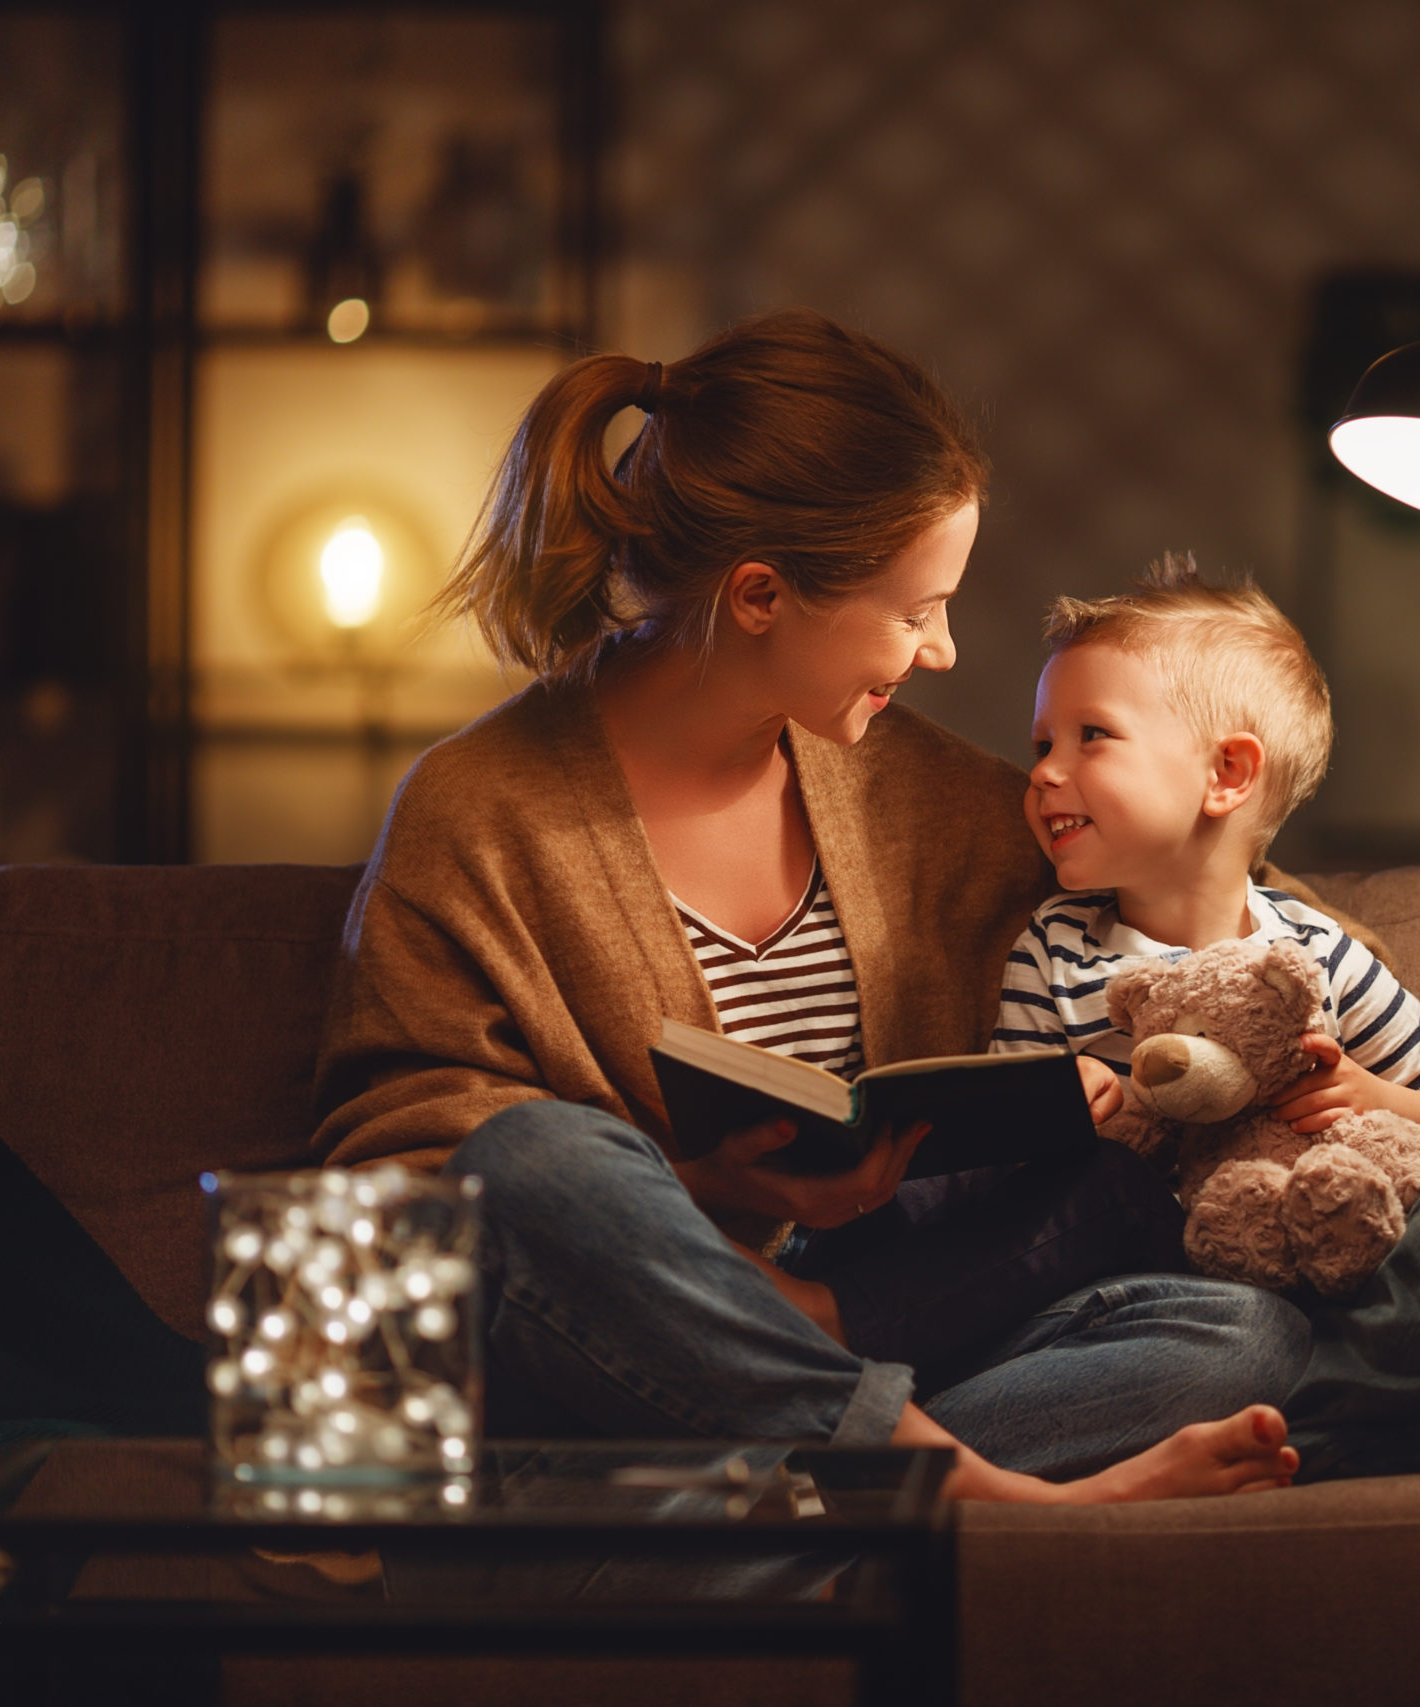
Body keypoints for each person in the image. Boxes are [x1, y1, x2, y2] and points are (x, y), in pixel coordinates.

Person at [311, 312, 1305, 1503]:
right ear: (761, 595)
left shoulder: (928, 796)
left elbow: (1216, 898)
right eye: (913, 608)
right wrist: (706, 1190)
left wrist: (1325, 1047)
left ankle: (788, 1492)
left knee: (1245, 1338)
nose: (940, 652)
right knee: (530, 1161)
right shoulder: (480, 811)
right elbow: (408, 1172)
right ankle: (976, 1500)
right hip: (626, 1362)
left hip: (889, 1325)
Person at [994, 554, 1420, 1138]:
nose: (1043, 773)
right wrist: (1060, 1101)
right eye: (1043, 747)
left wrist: (1375, 1097)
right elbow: (997, 1143)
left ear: (1227, 775)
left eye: (1092, 735)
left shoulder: (1319, 958)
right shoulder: (1053, 951)